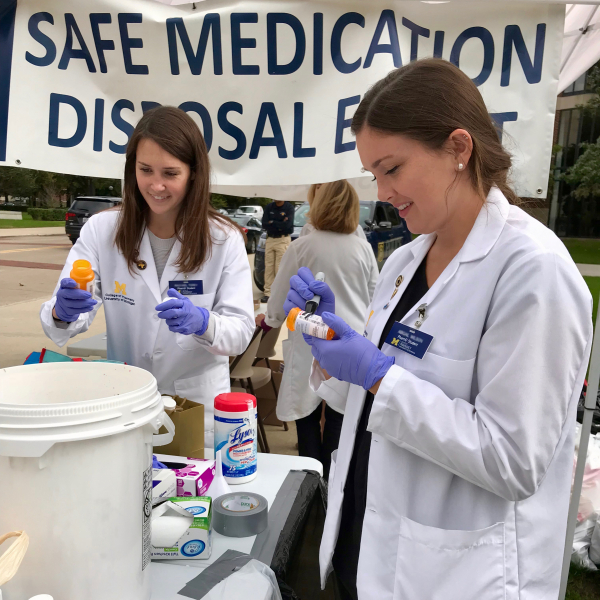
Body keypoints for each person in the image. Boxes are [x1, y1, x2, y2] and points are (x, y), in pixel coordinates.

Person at [285, 59, 593, 600]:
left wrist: (382, 376)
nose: (382, 191)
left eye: (392, 168)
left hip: (461, 575)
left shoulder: (532, 270)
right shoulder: (405, 260)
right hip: (371, 546)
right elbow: (369, 403)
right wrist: (330, 350)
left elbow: (514, 460)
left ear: (458, 148)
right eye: (374, 174)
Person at [40, 106, 254, 452]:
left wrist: (203, 323)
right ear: (131, 168)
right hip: (126, 404)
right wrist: (62, 312)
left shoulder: (223, 239)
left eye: (171, 173)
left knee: (191, 499)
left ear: (194, 174)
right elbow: (64, 322)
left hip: (195, 408)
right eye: (145, 170)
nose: (156, 185)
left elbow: (240, 332)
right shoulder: (102, 230)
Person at [256, 180, 378, 477]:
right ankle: (332, 486)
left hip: (310, 343)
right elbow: (376, 298)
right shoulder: (363, 249)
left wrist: (270, 321)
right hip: (350, 346)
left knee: (306, 417)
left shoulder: (301, 247)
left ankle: (309, 483)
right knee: (339, 417)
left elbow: (280, 297)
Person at [299, 183, 367, 240]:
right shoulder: (307, 229)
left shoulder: (355, 230)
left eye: (328, 187)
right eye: (319, 187)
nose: (323, 191)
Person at [261, 198, 295, 302]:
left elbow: (288, 225)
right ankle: (268, 293)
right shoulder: (269, 207)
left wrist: (273, 222)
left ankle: (279, 294)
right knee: (269, 268)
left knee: (280, 267)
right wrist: (280, 222)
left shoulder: (289, 208)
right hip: (270, 239)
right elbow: (264, 224)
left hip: (283, 240)